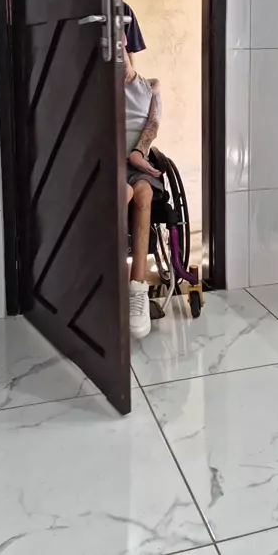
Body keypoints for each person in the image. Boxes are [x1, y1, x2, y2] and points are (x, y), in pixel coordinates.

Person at [124, 39, 162, 339]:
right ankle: (112, 283)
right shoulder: (95, 89)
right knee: (122, 193)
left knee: (144, 193)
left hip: (136, 164)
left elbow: (153, 124)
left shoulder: (151, 88)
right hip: (105, 162)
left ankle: (137, 288)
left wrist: (138, 152)